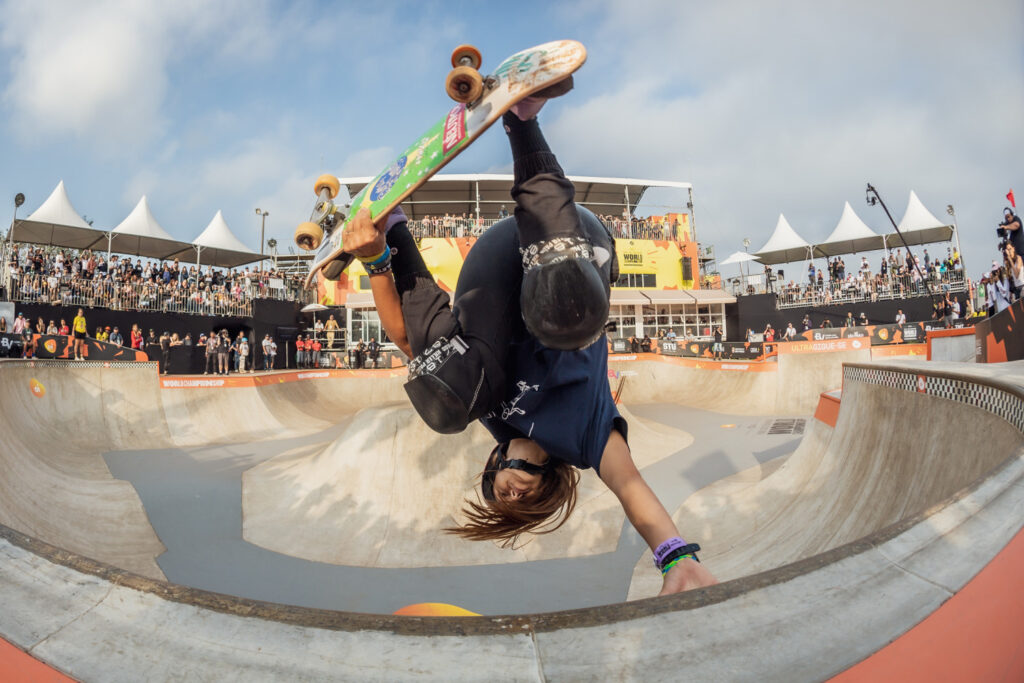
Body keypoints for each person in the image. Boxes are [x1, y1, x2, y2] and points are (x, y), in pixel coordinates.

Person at [340, 97, 715, 595]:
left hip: (497, 266)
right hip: (577, 246)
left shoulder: (485, 407)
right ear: (546, 483)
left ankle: (395, 230)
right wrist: (674, 559)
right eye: (524, 500)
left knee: (445, 398)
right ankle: (524, 124)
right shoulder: (586, 440)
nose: (510, 495)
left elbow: (409, 338)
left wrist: (376, 262)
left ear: (494, 469)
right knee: (564, 321)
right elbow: (630, 489)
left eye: (501, 496)